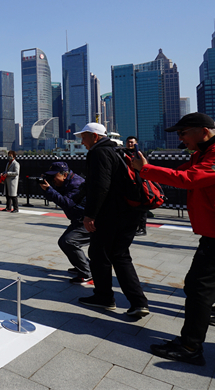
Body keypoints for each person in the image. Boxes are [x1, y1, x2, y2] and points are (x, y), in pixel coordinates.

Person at [131, 112, 215, 365]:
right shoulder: (209, 151)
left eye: (183, 133)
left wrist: (145, 169)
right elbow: (182, 171)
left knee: (198, 285)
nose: (180, 139)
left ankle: (190, 346)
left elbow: (189, 180)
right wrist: (143, 168)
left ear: (203, 131)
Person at [74, 122, 149, 318]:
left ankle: (104, 297)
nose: (81, 141)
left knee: (98, 254)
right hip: (130, 212)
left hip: (110, 214)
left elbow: (100, 186)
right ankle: (138, 302)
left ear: (95, 136)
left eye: (84, 137)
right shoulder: (118, 151)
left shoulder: (99, 153)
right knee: (121, 255)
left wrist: (90, 215)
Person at [39, 162, 91, 284]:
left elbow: (67, 203)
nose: (53, 179)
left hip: (88, 220)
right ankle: (82, 265)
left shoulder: (76, 184)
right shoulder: (66, 182)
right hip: (79, 219)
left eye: (54, 176)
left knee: (68, 241)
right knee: (65, 242)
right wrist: (48, 189)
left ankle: (86, 272)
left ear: (64, 174)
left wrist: (49, 189)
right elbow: (54, 197)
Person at [124, 136, 148, 237]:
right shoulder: (124, 153)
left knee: (141, 206)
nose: (130, 144)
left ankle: (142, 228)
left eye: (132, 143)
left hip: (139, 182)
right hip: (128, 182)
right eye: (128, 142)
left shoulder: (140, 154)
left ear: (136, 143)